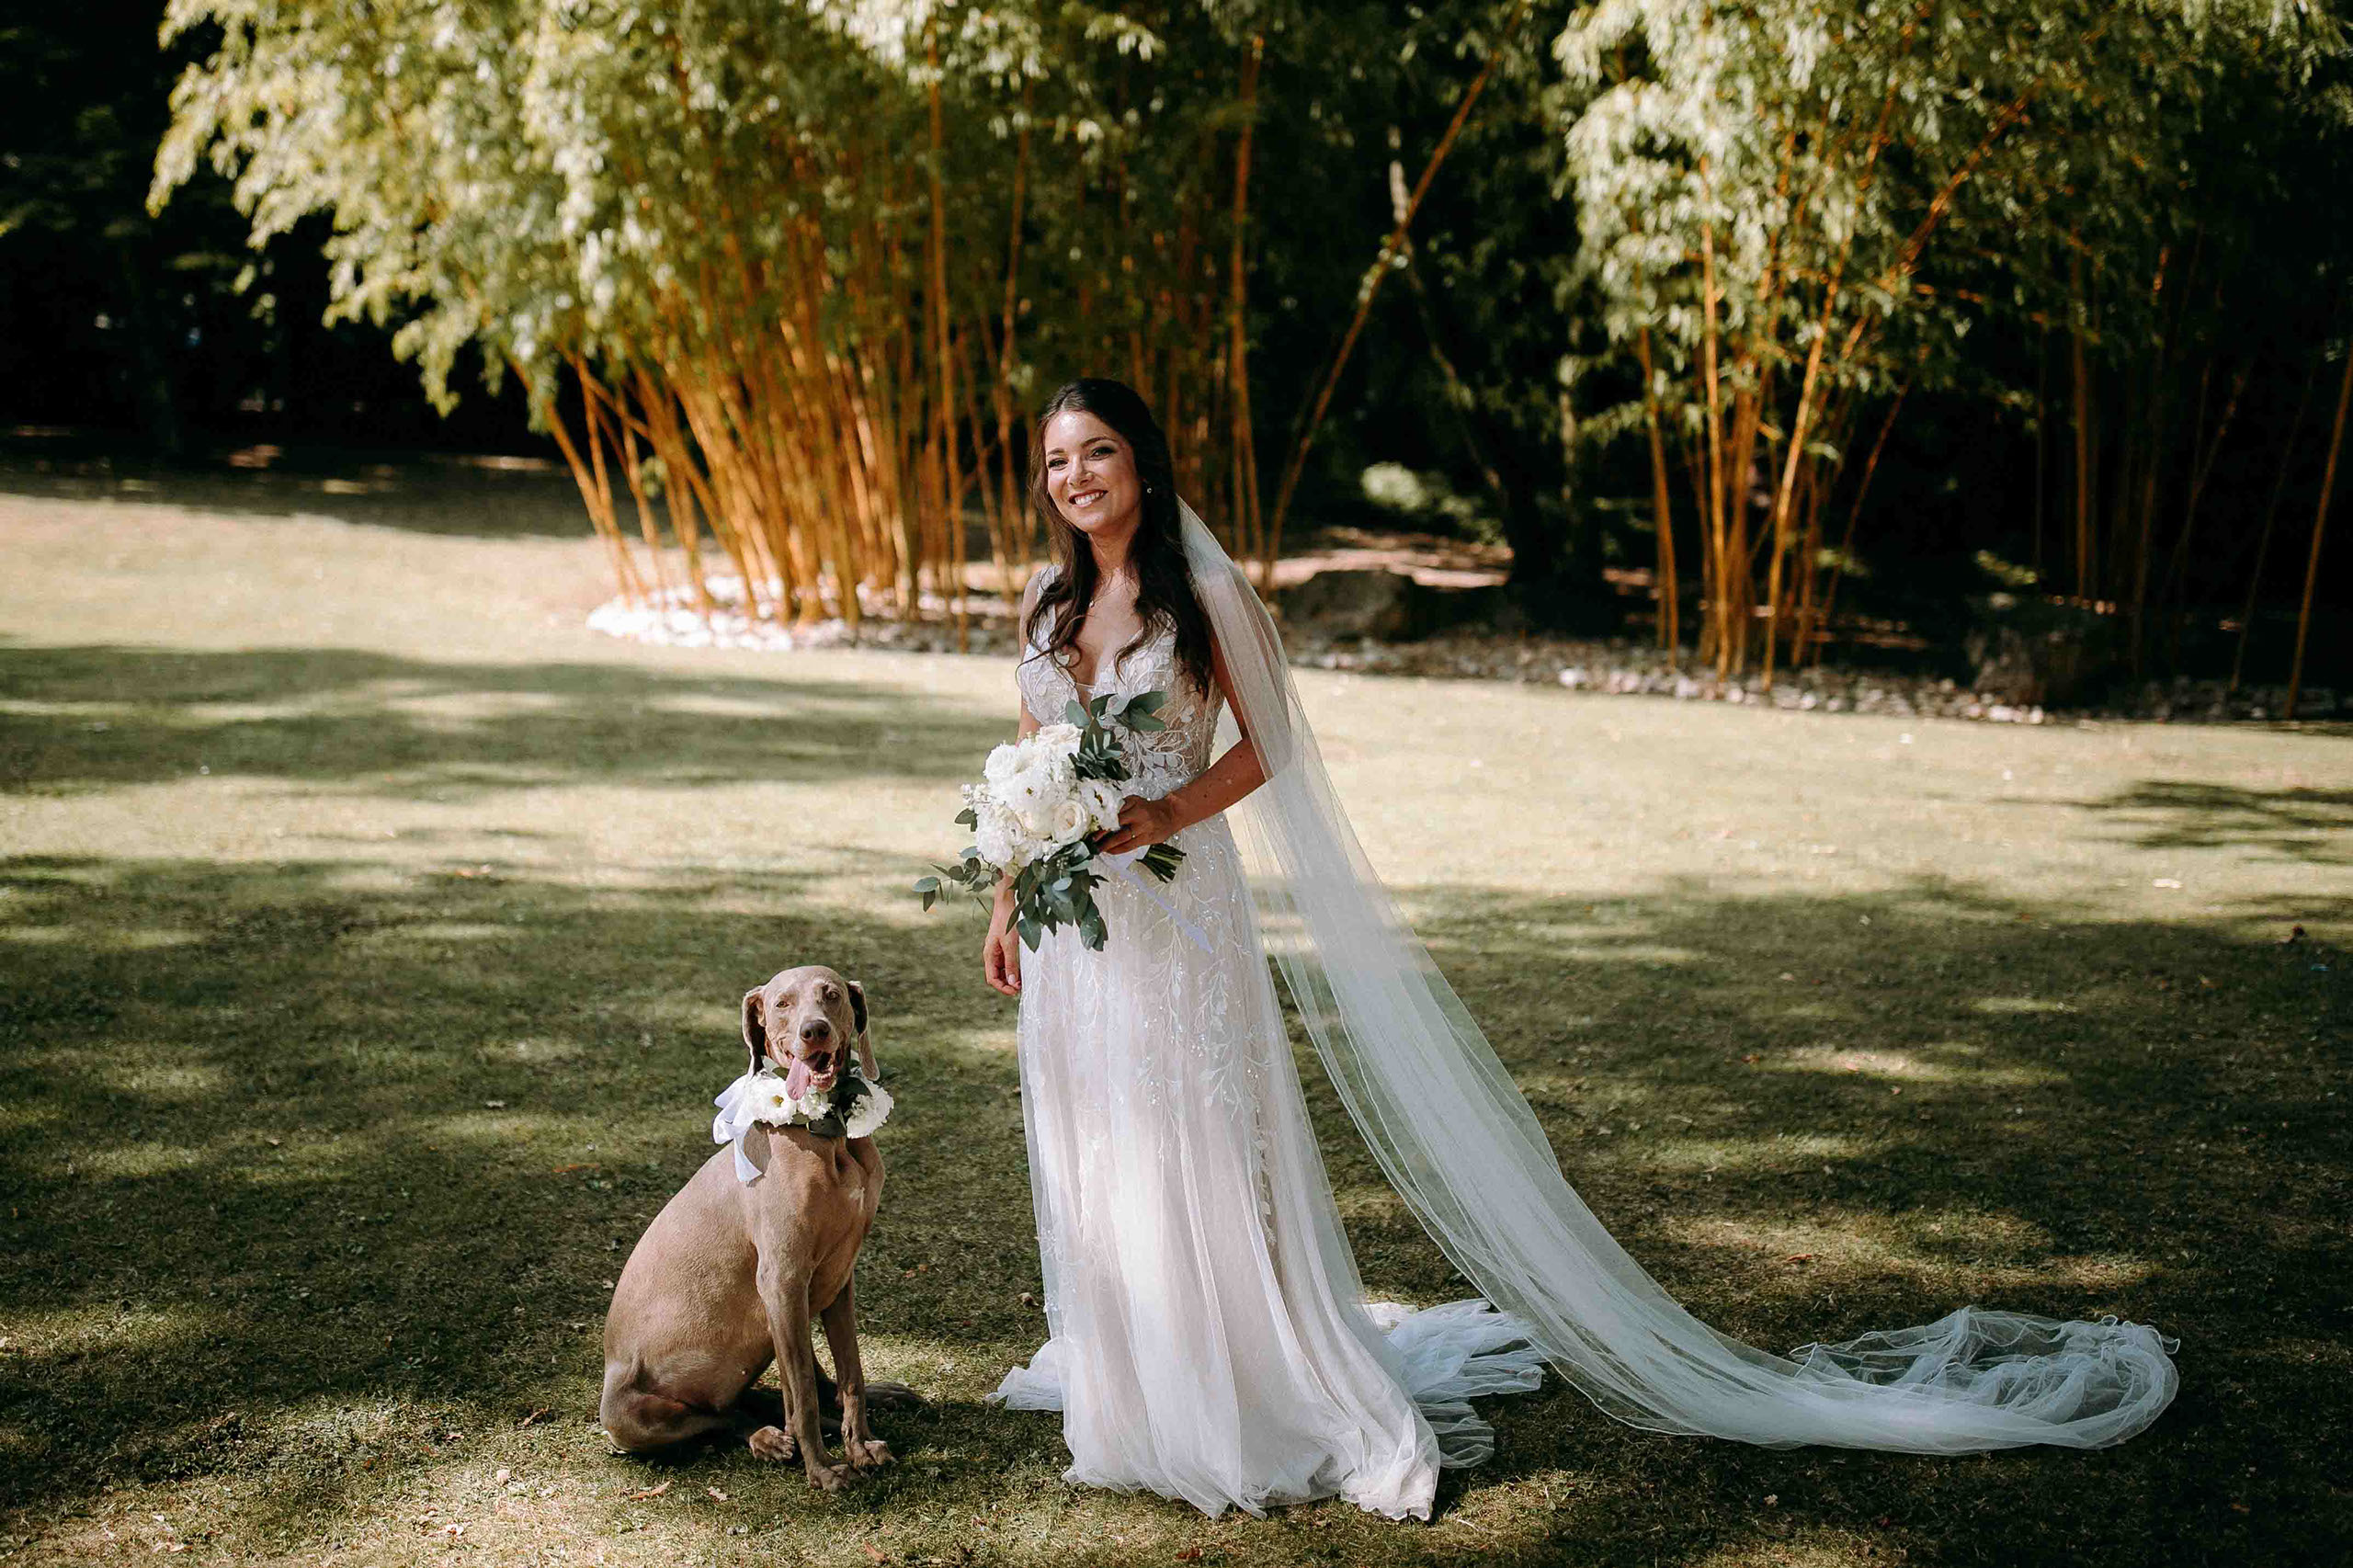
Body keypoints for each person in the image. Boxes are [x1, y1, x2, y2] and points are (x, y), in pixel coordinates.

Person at [979, 377, 2179, 1523]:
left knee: (1189, 1131)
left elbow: (1271, 742)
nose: (1076, 477)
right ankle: (1135, 1384)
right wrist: (1004, 899)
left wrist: (1168, 813)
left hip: (1179, 910)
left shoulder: (1203, 596)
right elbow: (1028, 759)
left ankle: (1231, 1383)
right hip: (1075, 926)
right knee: (1100, 1133)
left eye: (1097, 452)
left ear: (1141, 463)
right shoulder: (1046, 602)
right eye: (1056, 462)